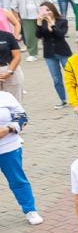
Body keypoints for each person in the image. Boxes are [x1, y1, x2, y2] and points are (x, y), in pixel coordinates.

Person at [0, 89, 40, 225]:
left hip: (8, 147)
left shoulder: (5, 96)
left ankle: (30, 210)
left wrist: (8, 129)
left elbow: (22, 117)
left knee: (17, 180)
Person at [33, 1, 71, 107]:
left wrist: (52, 24)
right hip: (49, 53)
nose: (46, 13)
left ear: (53, 9)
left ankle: (77, 96)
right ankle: (63, 100)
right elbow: (38, 35)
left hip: (63, 51)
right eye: (43, 11)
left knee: (71, 75)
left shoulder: (62, 20)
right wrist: (39, 23)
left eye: (48, 10)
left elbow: (60, 35)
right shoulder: (41, 22)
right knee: (56, 78)